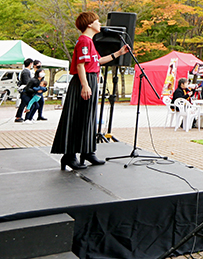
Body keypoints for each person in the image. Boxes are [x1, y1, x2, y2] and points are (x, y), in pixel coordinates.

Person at [52, 12, 128, 170]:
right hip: (84, 81)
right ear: (89, 24)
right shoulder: (84, 41)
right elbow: (80, 65)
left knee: (89, 117)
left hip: (91, 79)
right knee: (77, 117)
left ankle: (87, 151)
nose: (100, 24)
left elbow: (97, 61)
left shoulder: (90, 42)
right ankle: (69, 155)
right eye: (97, 21)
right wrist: (85, 85)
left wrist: (118, 53)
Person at [14, 58, 35, 122]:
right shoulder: (26, 72)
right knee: (29, 104)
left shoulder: (25, 71)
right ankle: (26, 117)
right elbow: (27, 82)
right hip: (25, 91)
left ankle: (19, 116)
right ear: (30, 64)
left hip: (25, 90)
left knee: (23, 104)